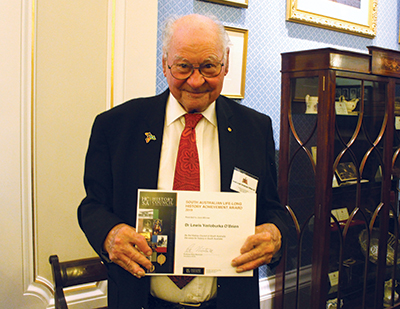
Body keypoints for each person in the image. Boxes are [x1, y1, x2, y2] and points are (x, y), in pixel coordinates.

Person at [78, 13, 288, 309]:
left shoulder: (255, 128)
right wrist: (109, 235)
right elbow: (92, 206)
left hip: (228, 302)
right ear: (165, 63)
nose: (196, 80)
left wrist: (274, 234)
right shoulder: (116, 126)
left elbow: (272, 208)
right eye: (184, 67)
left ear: (225, 63)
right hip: (141, 301)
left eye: (208, 66)